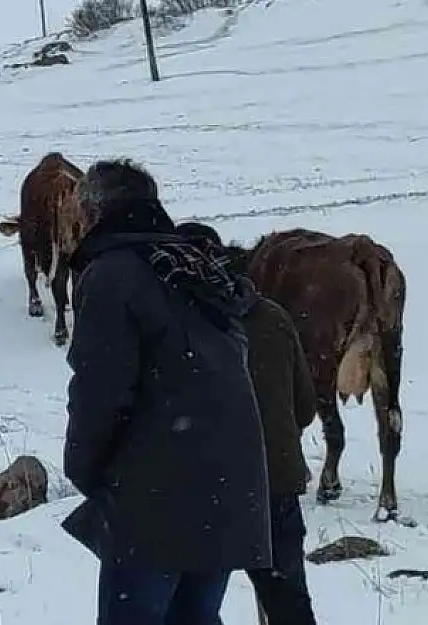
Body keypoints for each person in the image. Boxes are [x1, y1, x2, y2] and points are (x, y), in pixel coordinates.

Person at [60, 158, 273, 625]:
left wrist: (84, 466)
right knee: (195, 617)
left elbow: (100, 388)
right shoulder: (193, 267)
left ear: (94, 212)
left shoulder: (113, 274)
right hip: (230, 485)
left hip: (158, 492)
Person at [176, 221, 319, 625]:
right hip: (276, 482)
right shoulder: (272, 317)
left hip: (205, 491)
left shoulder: (180, 324)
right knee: (289, 602)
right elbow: (305, 407)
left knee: (192, 609)